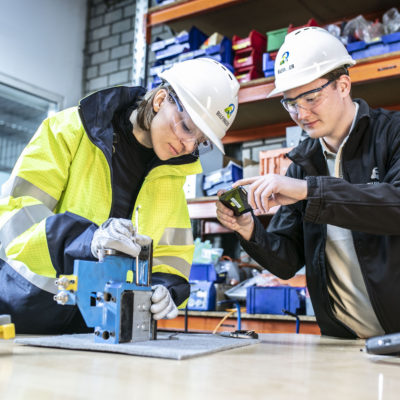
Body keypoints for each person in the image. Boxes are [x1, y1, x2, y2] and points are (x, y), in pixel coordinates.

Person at [0, 57, 240, 333]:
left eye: (200, 141)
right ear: (161, 100)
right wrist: (89, 241)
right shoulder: (69, 130)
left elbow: (173, 255)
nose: (188, 145)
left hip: (96, 329)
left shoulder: (171, 177)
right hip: (23, 316)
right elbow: (17, 220)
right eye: (186, 127)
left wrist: (166, 289)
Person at [216, 27, 400, 339]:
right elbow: (287, 260)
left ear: (343, 85)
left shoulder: (392, 134)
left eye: (311, 97)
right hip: (341, 342)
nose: (301, 113)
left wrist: (307, 192)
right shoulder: (303, 163)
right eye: (290, 103)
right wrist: (248, 229)